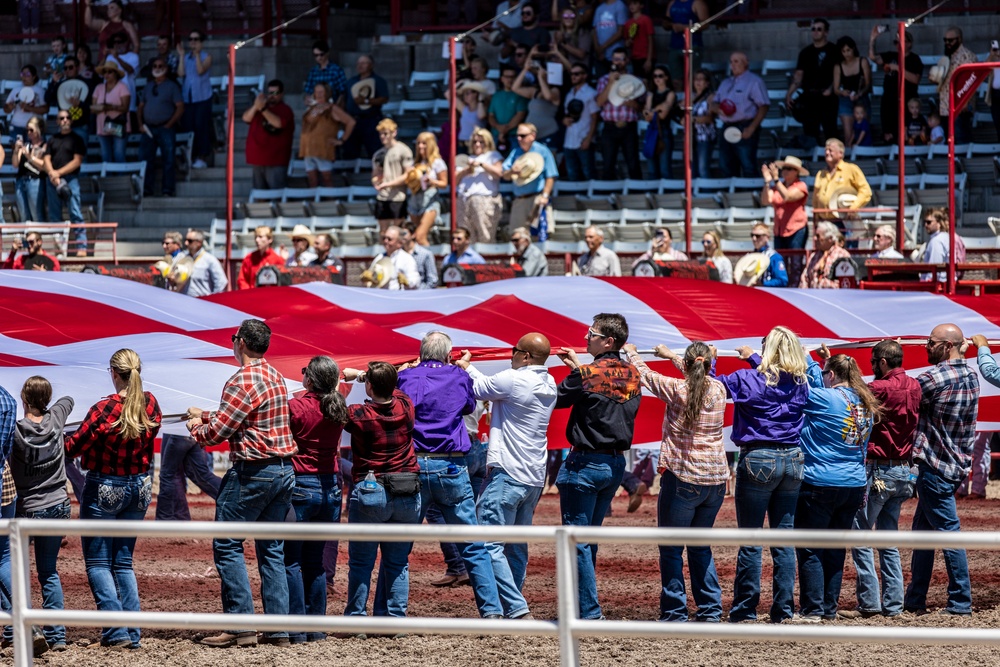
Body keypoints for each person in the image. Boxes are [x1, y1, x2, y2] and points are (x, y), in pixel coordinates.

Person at [187, 319, 298, 648]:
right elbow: (245, 415)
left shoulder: (240, 380)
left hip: (253, 471)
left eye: (234, 338)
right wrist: (208, 414)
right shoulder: (274, 376)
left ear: (242, 344)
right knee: (272, 551)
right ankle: (278, 631)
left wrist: (197, 424)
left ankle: (239, 627)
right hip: (282, 471)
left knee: (227, 544)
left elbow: (217, 433)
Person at [395, 332, 504, 619]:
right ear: (448, 354)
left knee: (399, 546)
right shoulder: (457, 376)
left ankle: (392, 614)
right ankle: (492, 612)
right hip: (451, 465)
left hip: (414, 464)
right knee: (472, 544)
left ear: (420, 352)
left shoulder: (406, 377)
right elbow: (469, 407)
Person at [622, 341, 728, 622]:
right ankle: (710, 610)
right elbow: (696, 373)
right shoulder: (718, 389)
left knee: (671, 548)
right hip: (716, 481)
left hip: (684, 477)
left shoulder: (677, 389)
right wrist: (672, 356)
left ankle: (675, 611)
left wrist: (631, 351)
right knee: (699, 545)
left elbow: (643, 373)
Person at [454, 333, 557, 617]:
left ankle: (515, 607)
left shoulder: (514, 379)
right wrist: (468, 366)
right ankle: (514, 604)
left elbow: (476, 387)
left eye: (514, 350)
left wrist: (463, 366)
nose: (510, 355)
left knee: (489, 544)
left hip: (507, 473)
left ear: (525, 356)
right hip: (533, 476)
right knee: (516, 545)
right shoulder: (549, 383)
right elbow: (487, 385)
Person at [65, 348, 162, 648]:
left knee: (97, 562)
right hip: (140, 488)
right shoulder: (151, 403)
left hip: (105, 486)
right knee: (123, 562)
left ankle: (116, 630)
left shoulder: (104, 408)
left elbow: (73, 446)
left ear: (114, 373)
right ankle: (131, 632)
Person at [721, 326, 810, 624]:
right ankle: (783, 610)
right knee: (783, 539)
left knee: (751, 538)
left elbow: (711, 386)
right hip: (793, 458)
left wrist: (708, 361)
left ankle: (745, 609)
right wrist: (754, 357)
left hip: (758, 456)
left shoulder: (748, 378)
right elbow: (777, 376)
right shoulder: (801, 382)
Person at [554, 313, 641, 620]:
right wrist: (578, 366)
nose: (585, 338)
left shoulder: (589, 373)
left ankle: (588, 613)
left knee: (576, 542)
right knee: (586, 540)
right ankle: (582, 609)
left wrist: (577, 369)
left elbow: (557, 398)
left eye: (590, 334)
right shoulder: (632, 373)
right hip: (615, 465)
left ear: (607, 341)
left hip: (585, 464)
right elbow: (605, 391)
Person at [793, 349, 879, 623]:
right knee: (835, 548)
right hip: (853, 484)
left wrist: (807, 360)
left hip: (820, 480)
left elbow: (804, 388)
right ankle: (827, 608)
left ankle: (813, 610)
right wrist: (818, 364)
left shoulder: (825, 397)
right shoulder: (865, 401)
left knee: (809, 547)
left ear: (830, 374)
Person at [840, 339, 920, 620]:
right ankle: (893, 605)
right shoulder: (915, 385)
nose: (872, 367)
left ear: (883, 363)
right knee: (888, 539)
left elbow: (852, 394)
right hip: (903, 471)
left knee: (860, 534)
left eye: (873, 362)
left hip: (879, 469)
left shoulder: (878, 388)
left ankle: (870, 603)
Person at [904, 324, 979, 617]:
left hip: (934, 464)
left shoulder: (932, 378)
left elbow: (902, 399)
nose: (925, 346)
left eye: (931, 342)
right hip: (955, 464)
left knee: (948, 534)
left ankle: (960, 602)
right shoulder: (971, 375)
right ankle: (915, 600)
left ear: (946, 345)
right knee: (923, 534)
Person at [338, 361, 421, 626]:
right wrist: (367, 377)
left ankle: (357, 620)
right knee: (398, 563)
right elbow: (396, 389)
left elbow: (335, 409)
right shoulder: (406, 406)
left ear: (369, 386)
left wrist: (356, 377)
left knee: (362, 563)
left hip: (370, 491)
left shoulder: (359, 414)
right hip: (406, 489)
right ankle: (395, 621)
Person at [284, 356, 347, 644]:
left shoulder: (296, 406)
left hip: (301, 486)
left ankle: (296, 628)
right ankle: (316, 627)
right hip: (329, 487)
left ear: (310, 379)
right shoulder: (338, 406)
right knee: (315, 562)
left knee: (292, 560)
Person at [9, 377, 73, 652]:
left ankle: (15, 630)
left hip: (28, 508)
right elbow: (68, 401)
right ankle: (56, 636)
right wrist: (52, 405)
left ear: (24, 398)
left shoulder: (16, 431)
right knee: (48, 571)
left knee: (14, 571)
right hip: (58, 504)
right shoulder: (57, 418)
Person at [712, 52, 769, 178]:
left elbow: (763, 106)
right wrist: (718, 109)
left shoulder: (754, 81)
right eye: (731, 61)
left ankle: (752, 193)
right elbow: (714, 103)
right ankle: (733, 195)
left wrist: (752, 128)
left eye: (736, 61)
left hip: (745, 125)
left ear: (746, 62)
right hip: (727, 126)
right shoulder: (725, 83)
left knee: (747, 163)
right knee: (725, 164)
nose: (733, 65)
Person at [786, 18, 839, 148]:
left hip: (828, 97)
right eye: (813, 29)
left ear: (826, 32)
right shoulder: (805, 52)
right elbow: (799, 76)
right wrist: (789, 94)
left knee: (830, 130)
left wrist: (831, 88)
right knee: (810, 131)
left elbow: (839, 73)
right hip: (809, 96)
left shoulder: (834, 50)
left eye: (819, 29)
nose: (815, 32)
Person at [138, 57, 184, 197]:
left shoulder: (172, 86)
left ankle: (167, 190)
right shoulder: (148, 86)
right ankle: (146, 190)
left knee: (168, 160)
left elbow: (180, 107)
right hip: (148, 129)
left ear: (166, 68)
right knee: (145, 161)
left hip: (166, 128)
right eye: (155, 66)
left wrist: (169, 124)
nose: (157, 68)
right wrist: (140, 124)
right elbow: (140, 107)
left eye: (160, 65)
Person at [43, 111, 87, 256]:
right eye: (61, 118)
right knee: (55, 215)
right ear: (57, 121)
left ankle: (81, 246)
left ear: (71, 121)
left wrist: (58, 173)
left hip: (71, 179)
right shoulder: (52, 139)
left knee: (75, 212)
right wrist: (52, 174)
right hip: (53, 181)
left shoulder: (77, 139)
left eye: (67, 118)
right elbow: (47, 159)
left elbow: (77, 161)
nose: (65, 120)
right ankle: (58, 249)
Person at [595, 48, 643, 179]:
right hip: (610, 126)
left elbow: (641, 107)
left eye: (620, 59)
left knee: (633, 163)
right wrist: (611, 83)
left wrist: (633, 104)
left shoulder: (635, 80)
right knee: (608, 163)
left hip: (629, 126)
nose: (617, 62)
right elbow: (599, 102)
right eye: (615, 59)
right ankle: (608, 195)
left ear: (626, 61)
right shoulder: (604, 80)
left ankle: (636, 194)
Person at [869, 27, 922, 143]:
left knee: (905, 132)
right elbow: (874, 58)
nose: (898, 44)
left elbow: (915, 79)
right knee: (889, 133)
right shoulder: (890, 55)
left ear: (909, 43)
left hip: (907, 100)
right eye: (896, 42)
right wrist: (873, 39)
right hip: (889, 99)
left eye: (902, 41)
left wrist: (898, 68)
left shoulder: (914, 59)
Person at [762, 155, 809, 286]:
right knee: (780, 262)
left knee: (795, 263)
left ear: (796, 172)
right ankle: (782, 285)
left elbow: (787, 196)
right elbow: (765, 200)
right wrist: (767, 182)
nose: (785, 171)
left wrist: (776, 179)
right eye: (784, 168)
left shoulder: (801, 186)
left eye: (789, 168)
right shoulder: (778, 186)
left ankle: (795, 287)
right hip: (779, 230)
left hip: (796, 229)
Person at [502, 123, 558, 232]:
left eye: (522, 136)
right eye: (517, 136)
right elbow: (505, 175)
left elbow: (550, 176)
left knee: (539, 235)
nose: (519, 138)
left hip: (537, 199)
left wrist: (545, 196)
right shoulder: (515, 152)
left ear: (532, 136)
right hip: (519, 200)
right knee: (517, 235)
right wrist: (512, 171)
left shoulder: (543, 151)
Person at [299, 82, 355, 188]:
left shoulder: (332, 108)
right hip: (308, 149)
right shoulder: (311, 108)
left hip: (323, 148)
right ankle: (314, 203)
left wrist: (342, 140)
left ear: (327, 93)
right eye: (316, 92)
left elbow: (350, 122)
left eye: (321, 92)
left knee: (327, 179)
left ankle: (330, 202)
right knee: (311, 180)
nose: (319, 94)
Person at [243, 80, 295, 191]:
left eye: (275, 93)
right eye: (270, 92)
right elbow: (246, 118)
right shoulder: (260, 107)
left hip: (276, 160)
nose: (272, 96)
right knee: (260, 195)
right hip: (257, 159)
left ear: (281, 94)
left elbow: (279, 123)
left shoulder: (286, 110)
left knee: (277, 195)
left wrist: (263, 109)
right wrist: (256, 106)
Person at [456, 128, 504, 244]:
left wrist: (482, 165)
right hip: (464, 200)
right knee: (466, 236)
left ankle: (487, 260)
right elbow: (454, 180)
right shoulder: (466, 159)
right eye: (474, 142)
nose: (477, 144)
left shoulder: (493, 155)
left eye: (481, 142)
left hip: (484, 200)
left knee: (485, 235)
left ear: (487, 142)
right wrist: (466, 170)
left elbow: (499, 173)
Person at [811, 138, 872, 228]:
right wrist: (816, 218)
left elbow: (866, 192)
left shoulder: (851, 169)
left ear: (841, 154)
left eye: (830, 150)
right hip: (824, 221)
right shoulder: (821, 173)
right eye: (826, 150)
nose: (827, 153)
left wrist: (853, 208)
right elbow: (815, 198)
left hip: (844, 220)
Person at [969, 334, 1000, 497]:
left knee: (980, 446)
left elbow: (991, 372)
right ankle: (965, 488)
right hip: (972, 406)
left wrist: (982, 345)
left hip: (984, 406)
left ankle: (978, 488)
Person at [342, 55, 390, 160]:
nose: (360, 66)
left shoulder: (378, 81)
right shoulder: (351, 82)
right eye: (359, 63)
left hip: (371, 119)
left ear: (371, 65)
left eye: (364, 63)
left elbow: (384, 98)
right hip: (353, 120)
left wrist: (366, 101)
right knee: (350, 150)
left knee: (374, 149)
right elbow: (344, 99)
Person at [177, 30, 213, 169]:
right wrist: (181, 56)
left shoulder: (207, 56)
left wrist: (197, 54)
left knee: (201, 126)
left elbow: (200, 71)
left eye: (196, 39)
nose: (193, 42)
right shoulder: (186, 58)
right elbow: (180, 73)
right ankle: (190, 156)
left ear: (201, 42)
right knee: (189, 127)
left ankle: (202, 156)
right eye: (190, 39)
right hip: (188, 98)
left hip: (202, 97)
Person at [512, 46, 561, 147]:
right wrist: (525, 69)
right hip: (531, 137)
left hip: (548, 134)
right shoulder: (534, 92)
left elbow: (548, 96)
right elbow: (515, 88)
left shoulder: (556, 91)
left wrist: (541, 78)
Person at [371, 119, 414, 233]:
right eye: (381, 134)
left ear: (394, 133)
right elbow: (375, 175)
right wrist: (376, 182)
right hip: (382, 196)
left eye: (385, 133)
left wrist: (388, 184)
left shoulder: (403, 150)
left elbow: (408, 175)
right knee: (383, 231)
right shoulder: (378, 153)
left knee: (397, 230)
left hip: (398, 196)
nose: (382, 136)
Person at [406, 132, 449, 245]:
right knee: (415, 238)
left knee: (420, 236)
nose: (420, 146)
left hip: (430, 200)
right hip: (415, 199)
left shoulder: (438, 162)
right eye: (419, 143)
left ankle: (428, 261)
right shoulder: (415, 163)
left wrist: (432, 181)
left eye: (424, 143)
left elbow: (444, 183)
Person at [938, 27, 977, 144]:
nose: (947, 43)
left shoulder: (967, 56)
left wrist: (965, 102)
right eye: (945, 40)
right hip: (945, 106)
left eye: (950, 40)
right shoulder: (946, 56)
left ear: (959, 39)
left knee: (960, 142)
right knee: (950, 144)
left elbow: (972, 80)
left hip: (960, 106)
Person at [46, 56, 93, 147]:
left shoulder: (87, 84)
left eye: (70, 67)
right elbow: (47, 99)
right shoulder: (60, 85)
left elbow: (91, 106)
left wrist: (80, 104)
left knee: (81, 156)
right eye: (65, 68)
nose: (68, 70)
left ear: (77, 68)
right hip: (64, 125)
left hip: (81, 124)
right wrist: (53, 82)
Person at [562, 64, 599, 181]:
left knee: (588, 172)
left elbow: (595, 117)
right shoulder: (569, 93)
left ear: (585, 75)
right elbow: (566, 114)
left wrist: (589, 138)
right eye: (572, 74)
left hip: (583, 138)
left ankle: (593, 198)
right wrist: (564, 120)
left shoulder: (591, 93)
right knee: (572, 173)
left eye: (577, 74)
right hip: (569, 140)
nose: (573, 76)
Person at [833, 36, 871, 146]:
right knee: (848, 135)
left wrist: (860, 93)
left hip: (861, 98)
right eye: (843, 51)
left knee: (863, 130)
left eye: (848, 50)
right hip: (846, 99)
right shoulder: (838, 66)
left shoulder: (862, 61)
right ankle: (849, 156)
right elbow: (836, 89)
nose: (846, 54)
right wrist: (843, 92)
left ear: (853, 48)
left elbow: (868, 84)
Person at [91, 58, 129, 163]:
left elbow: (125, 107)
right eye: (105, 72)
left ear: (116, 74)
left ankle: (121, 179)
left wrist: (109, 107)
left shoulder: (123, 87)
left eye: (110, 72)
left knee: (119, 154)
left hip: (119, 125)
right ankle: (108, 179)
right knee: (105, 156)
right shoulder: (99, 87)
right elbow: (93, 108)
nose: (106, 74)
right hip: (102, 125)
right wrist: (101, 108)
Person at [643, 65, 676, 180]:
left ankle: (666, 195)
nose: (657, 78)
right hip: (652, 130)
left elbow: (663, 115)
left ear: (666, 77)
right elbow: (647, 116)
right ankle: (653, 194)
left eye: (660, 76)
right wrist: (656, 109)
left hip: (664, 131)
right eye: (655, 76)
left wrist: (651, 111)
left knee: (664, 168)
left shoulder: (670, 93)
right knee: (652, 169)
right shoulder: (651, 94)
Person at [13, 117, 48, 223]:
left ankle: (39, 239)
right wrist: (15, 151)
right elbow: (15, 164)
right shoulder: (25, 146)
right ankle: (27, 239)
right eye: (27, 130)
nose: (28, 132)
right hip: (20, 181)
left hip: (35, 181)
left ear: (39, 130)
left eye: (31, 130)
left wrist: (30, 158)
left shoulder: (45, 146)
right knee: (24, 216)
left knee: (36, 214)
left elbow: (44, 166)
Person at [801, 221, 853, 289]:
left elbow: (844, 284)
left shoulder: (842, 256)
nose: (815, 238)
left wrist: (821, 284)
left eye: (818, 236)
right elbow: (804, 279)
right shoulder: (813, 257)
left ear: (830, 239)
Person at [664, 0, 708, 80]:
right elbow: (665, 22)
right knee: (675, 79)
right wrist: (670, 25)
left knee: (693, 78)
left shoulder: (697, 2)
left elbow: (705, 24)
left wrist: (684, 27)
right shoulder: (672, 3)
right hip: (674, 46)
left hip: (693, 46)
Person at [489, 65, 529, 152]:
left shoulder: (520, 95)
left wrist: (504, 130)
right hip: (496, 135)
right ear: (502, 78)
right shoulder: (496, 95)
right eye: (507, 77)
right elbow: (491, 115)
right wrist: (497, 127)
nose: (509, 80)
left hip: (514, 136)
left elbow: (520, 115)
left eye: (512, 77)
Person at [176, 229, 228, 296]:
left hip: (202, 303)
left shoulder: (209, 260)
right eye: (185, 240)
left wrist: (213, 299)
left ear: (199, 243)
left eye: (190, 241)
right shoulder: (182, 257)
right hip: (183, 301)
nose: (186, 243)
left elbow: (221, 282)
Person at [4, 65, 49, 141]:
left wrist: (29, 108)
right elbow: (6, 109)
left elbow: (45, 109)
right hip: (16, 125)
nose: (24, 77)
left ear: (34, 76)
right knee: (17, 150)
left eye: (27, 74)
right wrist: (9, 107)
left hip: (34, 126)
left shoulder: (40, 90)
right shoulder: (16, 90)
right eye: (22, 74)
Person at [369, 225, 420, 290]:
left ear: (400, 243)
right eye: (384, 238)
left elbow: (415, 281)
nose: (385, 241)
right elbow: (370, 279)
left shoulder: (407, 259)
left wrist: (407, 282)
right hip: (381, 295)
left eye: (389, 239)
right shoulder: (379, 257)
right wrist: (368, 278)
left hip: (399, 297)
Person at [920, 207, 964, 283]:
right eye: (925, 222)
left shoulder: (937, 241)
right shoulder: (945, 237)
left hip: (937, 285)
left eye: (929, 222)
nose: (926, 225)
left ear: (939, 223)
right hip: (945, 282)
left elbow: (934, 268)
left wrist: (927, 283)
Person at [303, 40, 347, 106]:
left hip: (332, 106)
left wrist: (337, 107)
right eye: (316, 55)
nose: (319, 57)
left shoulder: (337, 70)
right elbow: (308, 91)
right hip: (316, 106)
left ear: (327, 53)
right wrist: (307, 100)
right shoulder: (313, 71)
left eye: (321, 54)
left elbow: (343, 92)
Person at [690, 68, 716, 179]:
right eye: (696, 79)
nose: (698, 82)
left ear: (707, 82)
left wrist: (693, 119)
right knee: (692, 169)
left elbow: (710, 118)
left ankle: (706, 192)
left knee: (702, 168)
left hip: (705, 136)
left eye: (701, 79)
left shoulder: (711, 97)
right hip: (691, 137)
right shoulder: (690, 97)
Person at [592, 0, 628, 75]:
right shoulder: (599, 8)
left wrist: (602, 47)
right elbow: (595, 31)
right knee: (602, 81)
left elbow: (620, 32)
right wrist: (597, 49)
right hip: (600, 55)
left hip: (615, 54)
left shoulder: (620, 5)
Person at [989, 42, 1000, 140]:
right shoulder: (993, 59)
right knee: (997, 122)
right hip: (995, 94)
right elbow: (983, 67)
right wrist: (992, 55)